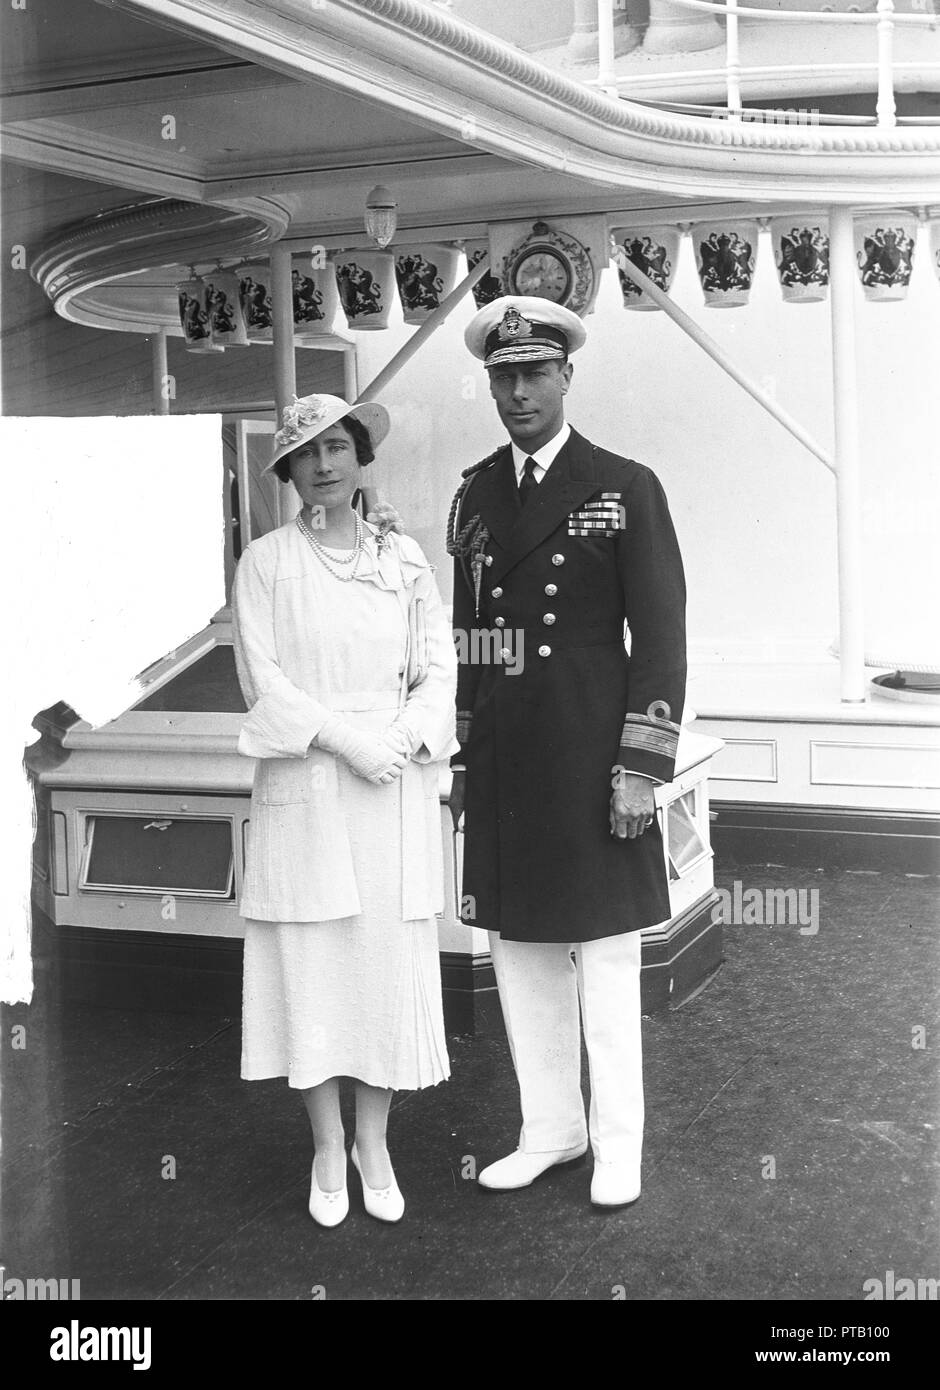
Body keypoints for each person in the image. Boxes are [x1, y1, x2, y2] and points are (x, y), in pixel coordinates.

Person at [448, 297, 687, 1207]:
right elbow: (472, 637)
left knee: (608, 956)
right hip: (508, 758)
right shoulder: (475, 493)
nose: (516, 392)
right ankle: (550, 1127)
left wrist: (641, 765)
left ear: (566, 377)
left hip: (594, 757)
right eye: (502, 377)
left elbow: (662, 638)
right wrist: (465, 758)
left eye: (532, 374)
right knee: (521, 952)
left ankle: (618, 1141)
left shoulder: (623, 486)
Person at [231, 392, 458, 1227]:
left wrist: (400, 739)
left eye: (340, 448)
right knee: (315, 970)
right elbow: (264, 682)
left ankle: (374, 1142)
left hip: (390, 789)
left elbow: (440, 668)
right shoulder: (264, 563)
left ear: (362, 459)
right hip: (313, 786)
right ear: (287, 470)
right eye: (307, 453)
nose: (325, 464)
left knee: (380, 970)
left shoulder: (403, 559)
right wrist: (347, 741)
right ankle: (327, 1143)